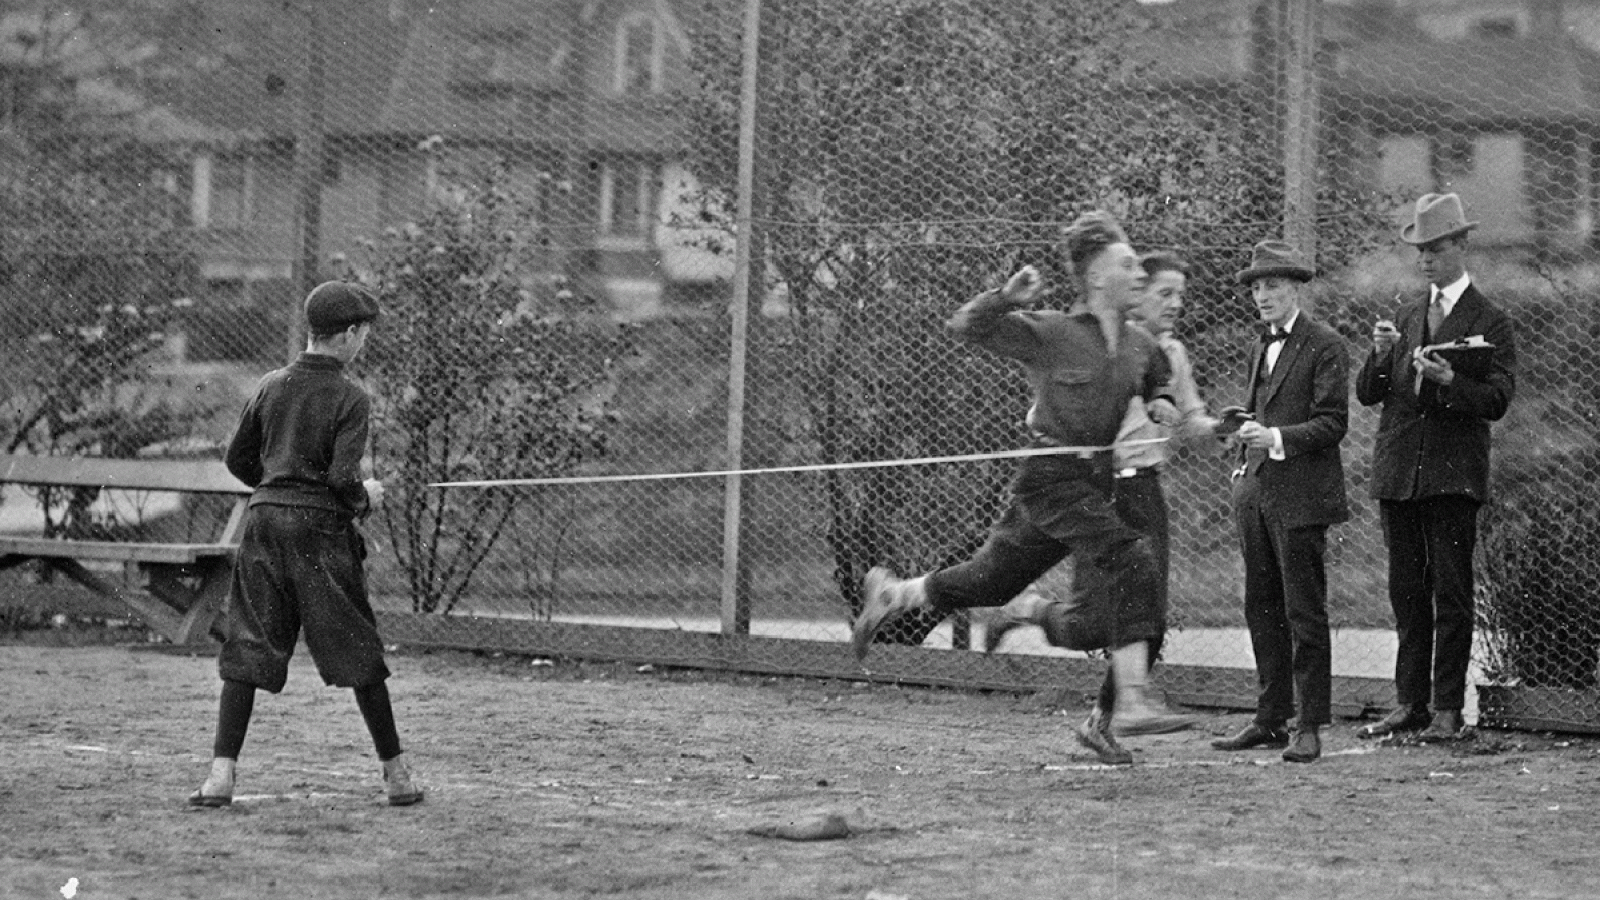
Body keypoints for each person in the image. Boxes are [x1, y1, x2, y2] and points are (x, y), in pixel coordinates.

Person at [850, 210, 1197, 740]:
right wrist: (1007, 299)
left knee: (992, 580)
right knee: (1133, 558)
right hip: (1051, 478)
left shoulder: (1140, 344)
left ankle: (895, 594)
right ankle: (1128, 704)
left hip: (1095, 482)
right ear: (1099, 277)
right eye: (1129, 265)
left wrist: (1164, 402)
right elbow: (965, 326)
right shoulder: (1052, 332)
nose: (1140, 276)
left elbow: (1156, 380)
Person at [984, 251, 1230, 764]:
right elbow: (1051, 412)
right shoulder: (1098, 350)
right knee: (1093, 625)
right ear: (1135, 295)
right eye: (1164, 292)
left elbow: (1193, 422)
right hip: (1097, 492)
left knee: (1150, 619)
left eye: (1180, 295)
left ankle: (1102, 723)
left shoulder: (1170, 355)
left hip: (1146, 490)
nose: (1174, 304)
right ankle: (1028, 609)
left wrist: (1226, 429)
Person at [189, 281, 422, 808]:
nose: (364, 342)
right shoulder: (351, 397)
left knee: (247, 644)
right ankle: (398, 778)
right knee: (357, 647)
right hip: (319, 532)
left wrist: (279, 484)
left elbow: (237, 462)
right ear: (351, 334)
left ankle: (219, 779)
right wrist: (364, 497)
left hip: (265, 522)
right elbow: (343, 477)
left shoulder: (271, 384)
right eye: (364, 334)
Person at [1354, 193, 1516, 742]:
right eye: (1419, 249)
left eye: (1436, 247)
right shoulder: (1405, 315)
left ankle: (1447, 708)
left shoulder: (1491, 318)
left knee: (1450, 592)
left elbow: (1497, 399)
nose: (1425, 258)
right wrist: (1380, 356)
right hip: (1400, 472)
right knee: (1406, 590)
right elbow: (1370, 394)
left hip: (1452, 475)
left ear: (1461, 247)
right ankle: (1410, 703)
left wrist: (1452, 382)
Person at [1211, 240, 1349, 764]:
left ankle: (1309, 723)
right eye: (1256, 287)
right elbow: (1260, 412)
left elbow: (1334, 422)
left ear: (1294, 288)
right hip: (1258, 493)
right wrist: (1242, 425)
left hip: (1302, 497)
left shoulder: (1325, 344)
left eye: (1272, 285)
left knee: (1303, 610)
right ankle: (1271, 718)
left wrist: (1276, 439)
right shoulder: (1259, 345)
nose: (1262, 295)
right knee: (1260, 606)